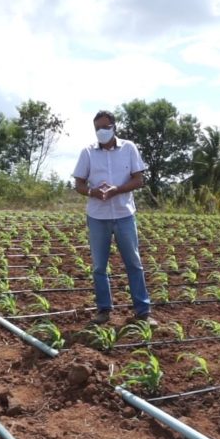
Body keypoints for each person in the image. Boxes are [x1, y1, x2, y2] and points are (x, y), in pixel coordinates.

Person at [72, 110, 155, 326]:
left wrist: (116, 189)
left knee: (134, 263)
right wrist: (92, 192)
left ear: (114, 127)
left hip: (124, 214)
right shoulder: (87, 152)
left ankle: (143, 311)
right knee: (99, 266)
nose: (101, 131)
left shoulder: (129, 148)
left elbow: (138, 180)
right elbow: (78, 184)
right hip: (97, 216)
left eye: (105, 127)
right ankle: (104, 310)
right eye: (97, 128)